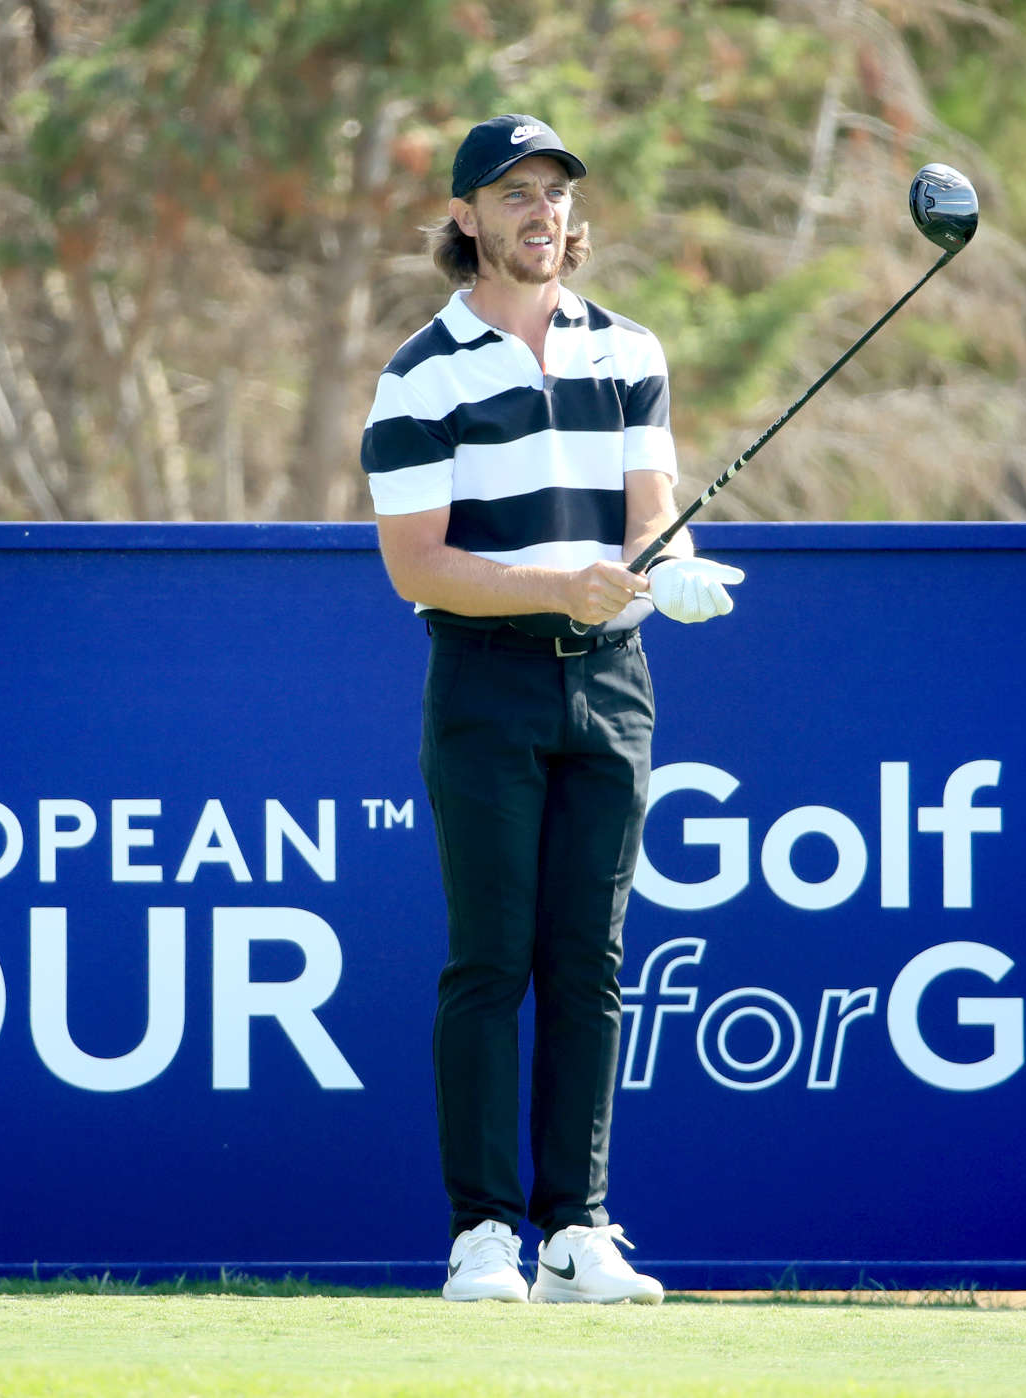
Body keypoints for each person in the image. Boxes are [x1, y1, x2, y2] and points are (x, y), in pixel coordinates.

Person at [359, 114, 744, 1305]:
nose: (542, 212)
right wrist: (554, 585)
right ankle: (484, 1234)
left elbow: (649, 508)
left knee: (590, 960)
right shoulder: (420, 373)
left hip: (612, 686)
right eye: (513, 193)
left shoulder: (629, 351)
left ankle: (577, 1228)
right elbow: (416, 565)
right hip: (485, 680)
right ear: (466, 217)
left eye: (556, 193)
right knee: (491, 961)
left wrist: (662, 566)